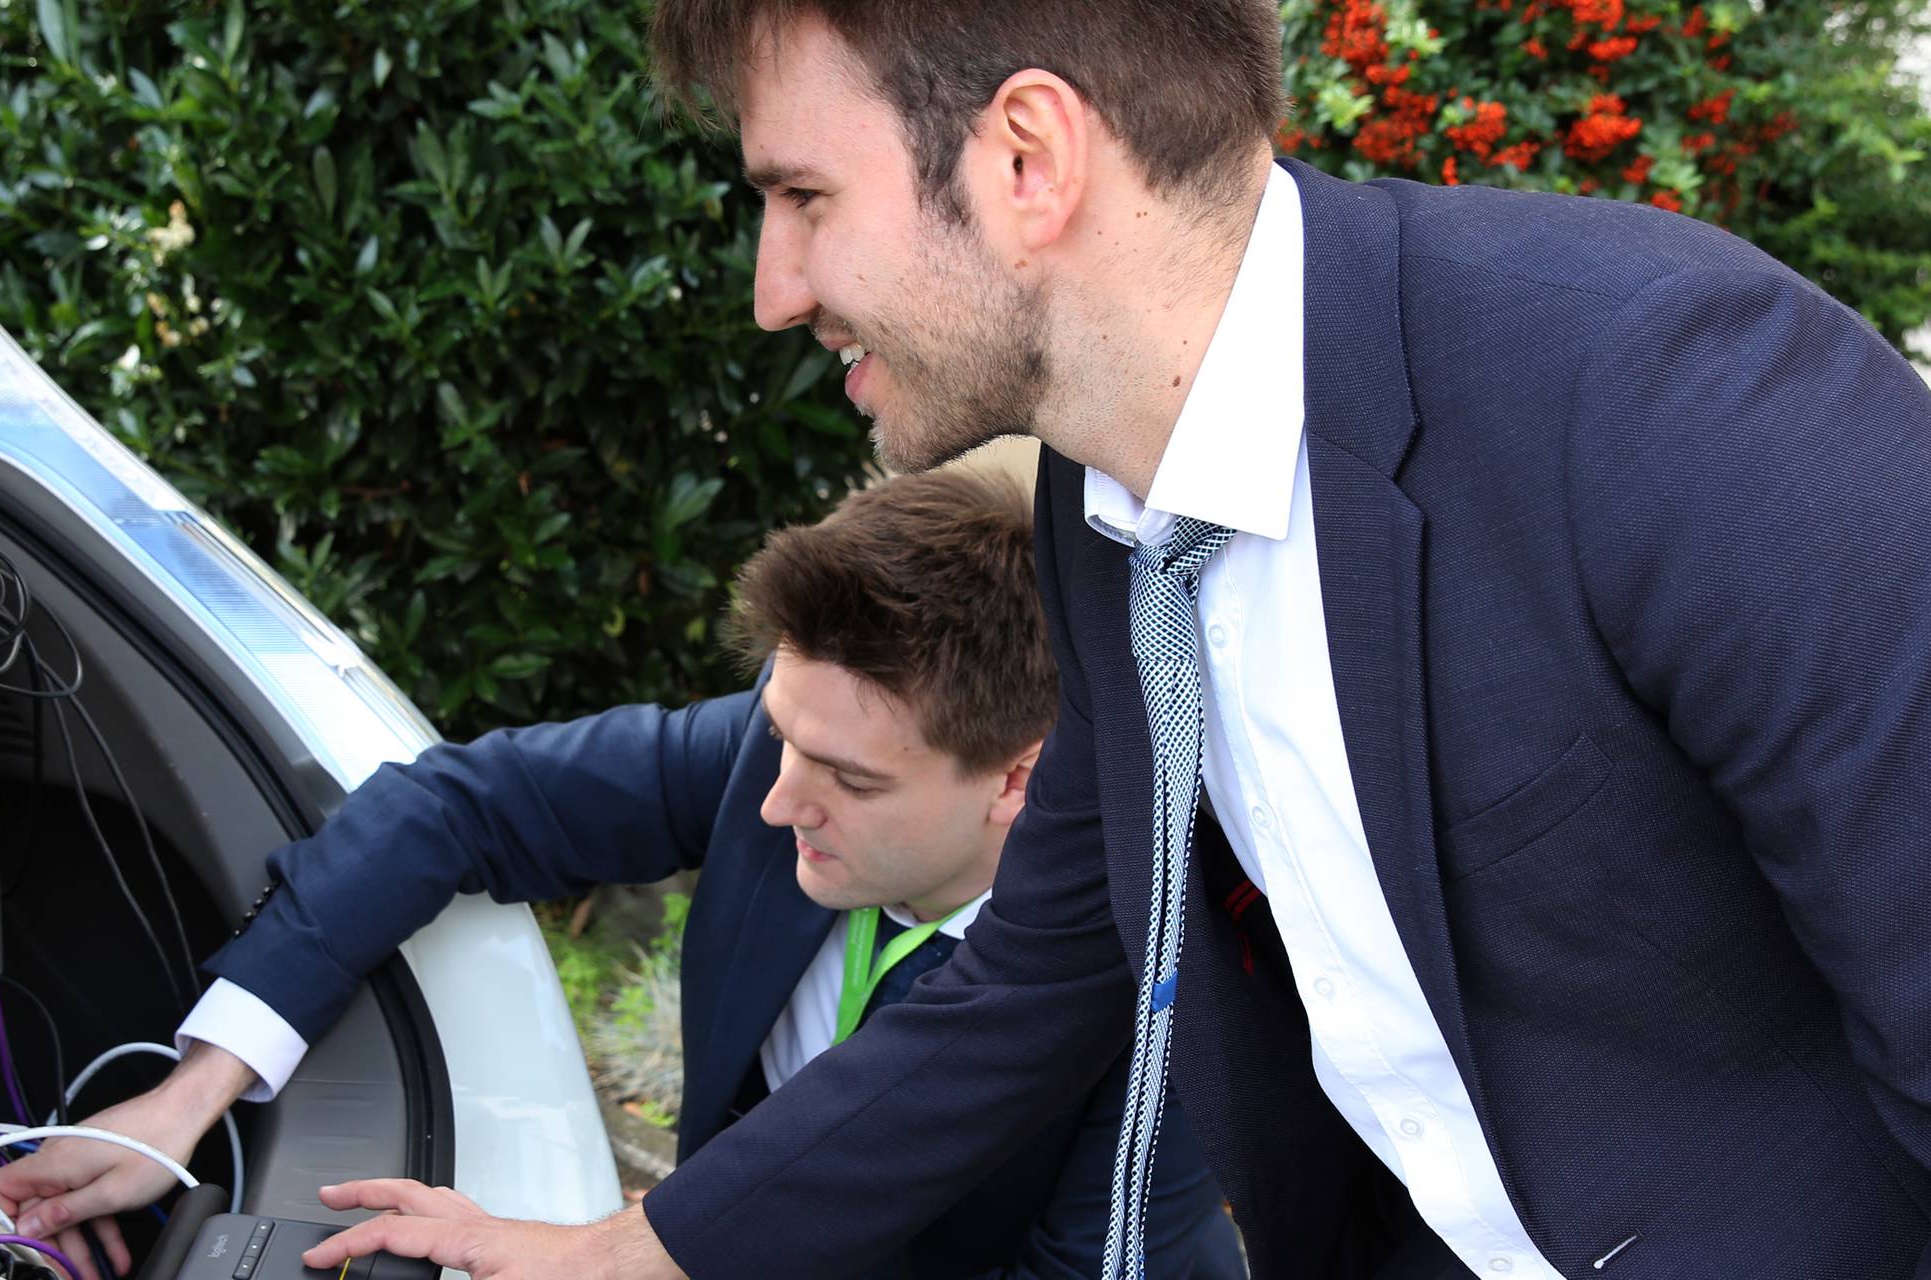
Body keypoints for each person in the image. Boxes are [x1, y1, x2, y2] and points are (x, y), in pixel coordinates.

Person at [296, 2, 1931, 1278]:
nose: (773, 291)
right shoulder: (1107, 519)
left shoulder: (1669, 395)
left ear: (1027, 159)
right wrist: (629, 1254)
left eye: (800, 198)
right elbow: (1034, 986)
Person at [0, 459, 1246, 1280]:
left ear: (1017, 777)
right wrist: (192, 1091)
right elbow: (455, 805)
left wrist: (601, 1254)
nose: (771, 800)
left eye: (848, 779)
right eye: (782, 733)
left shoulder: (1157, 988)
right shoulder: (787, 747)